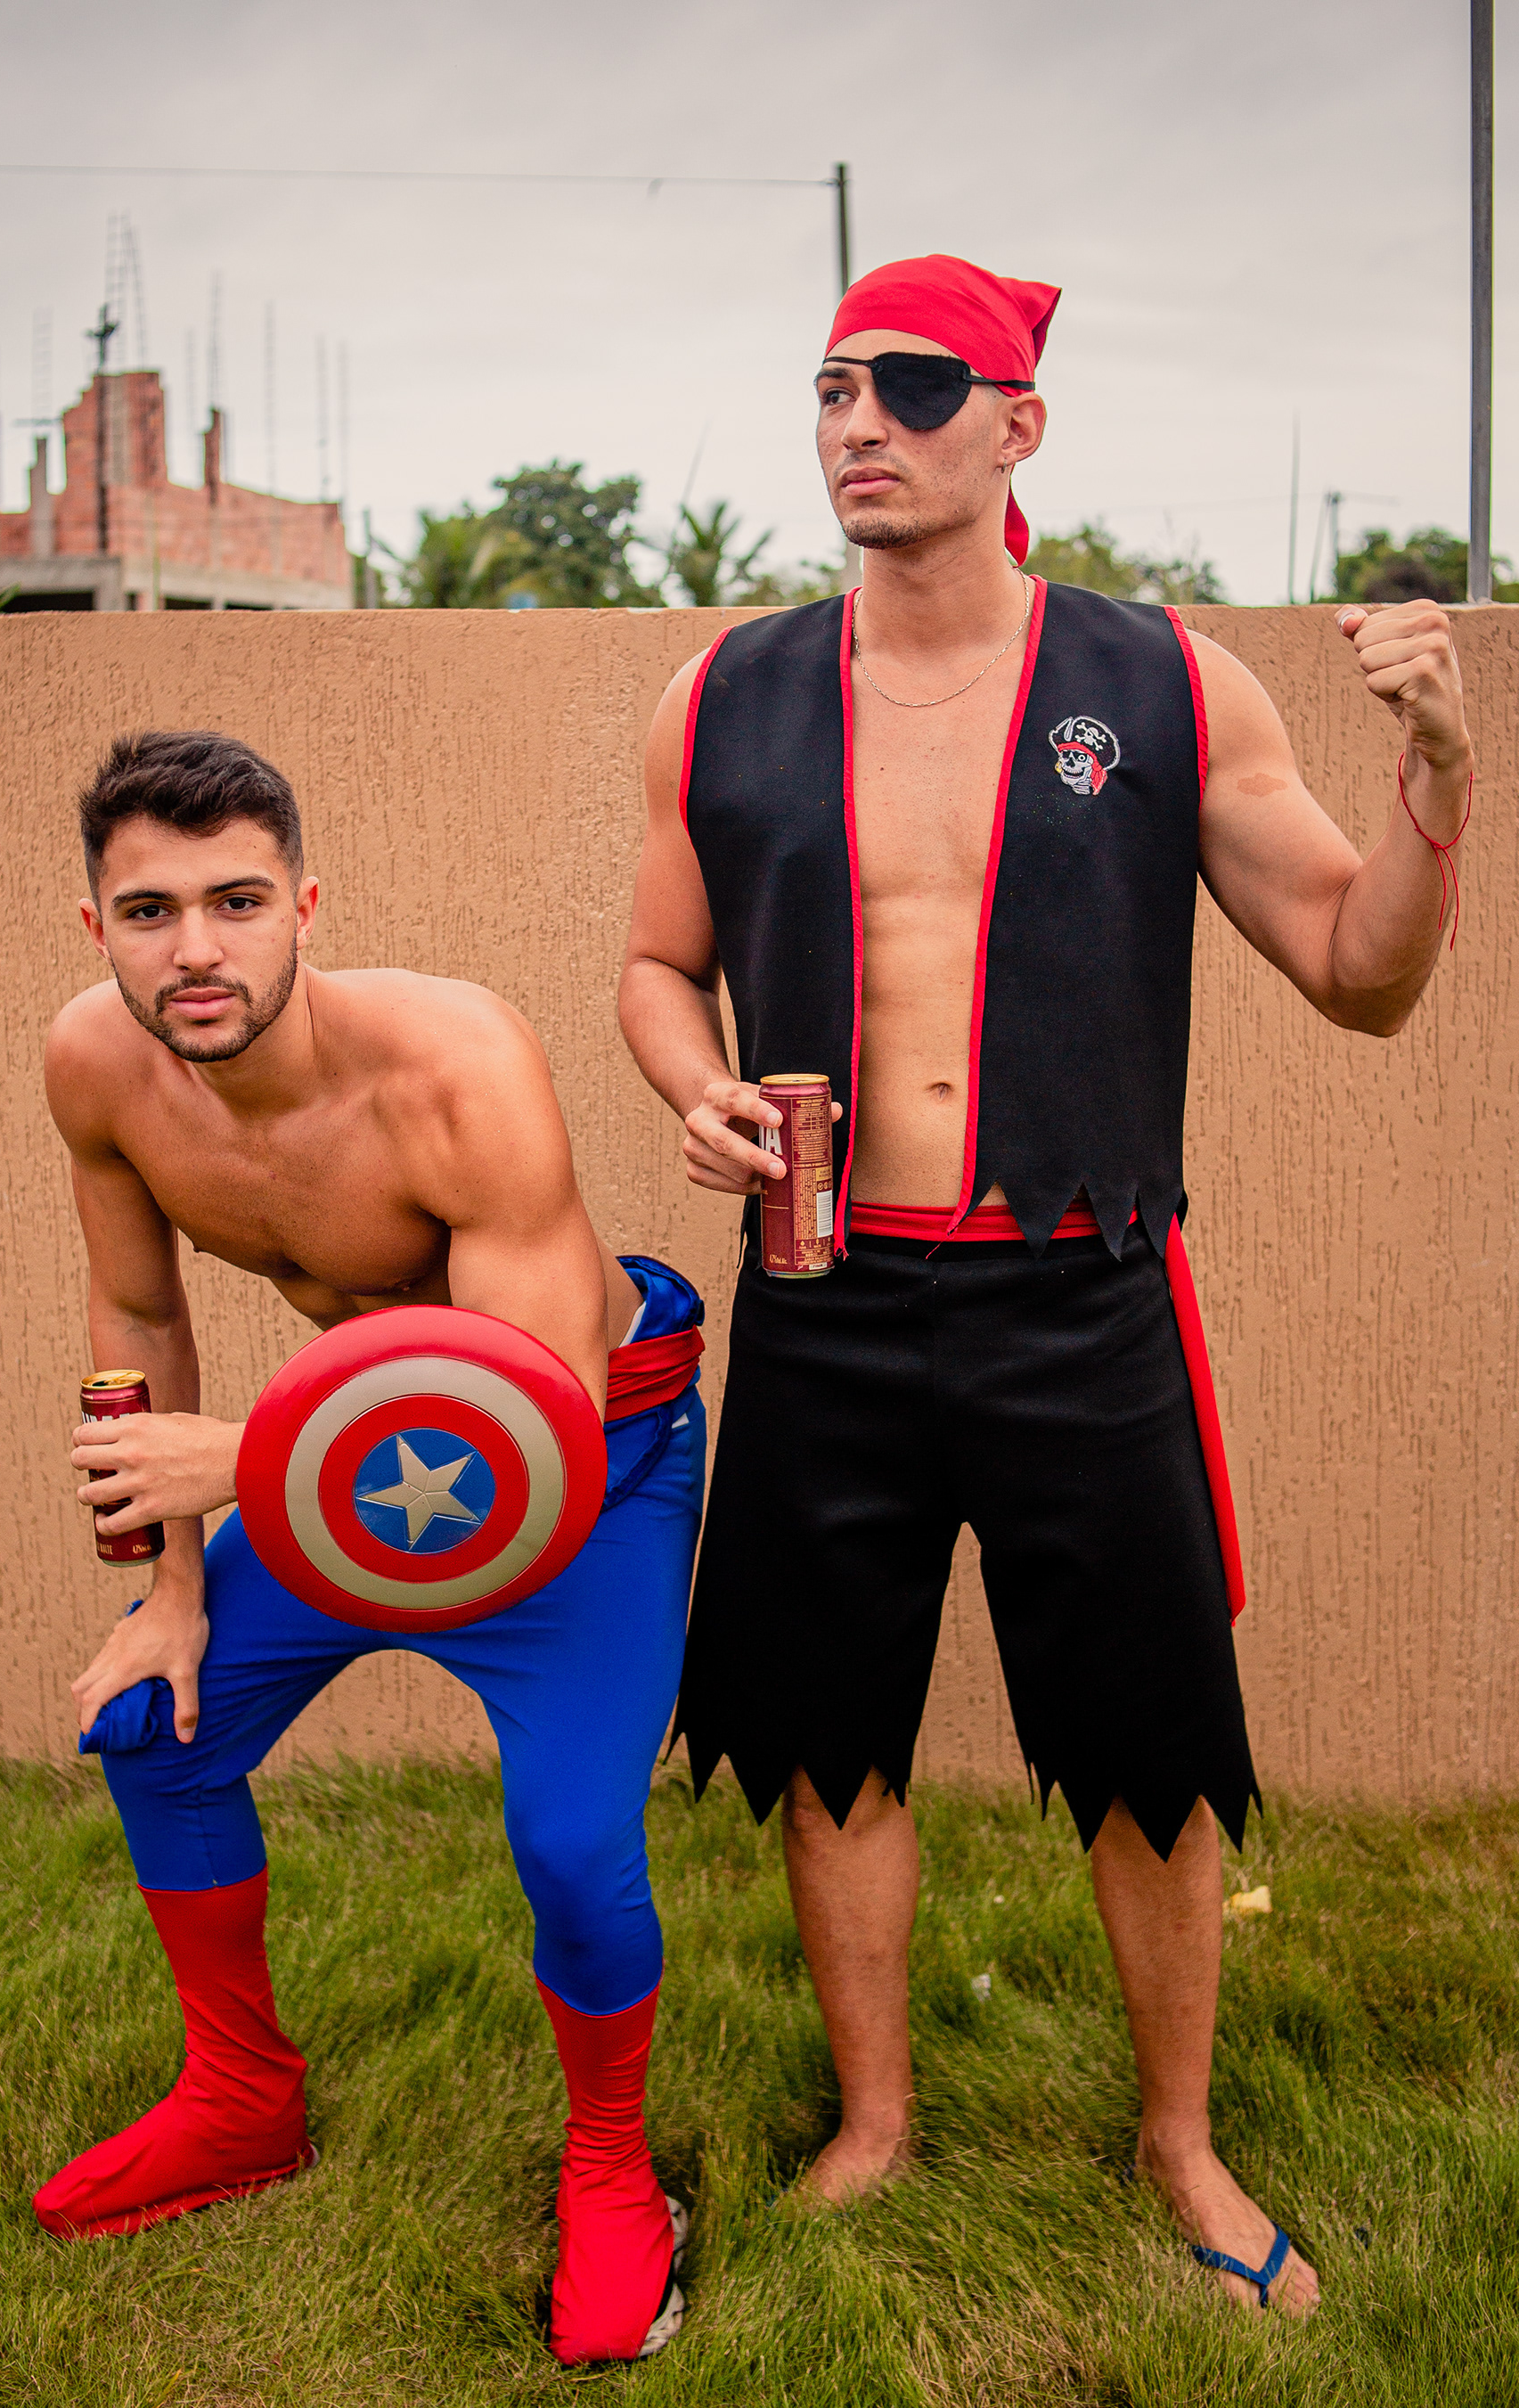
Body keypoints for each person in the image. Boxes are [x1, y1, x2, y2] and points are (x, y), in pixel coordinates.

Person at [618, 251, 1474, 2319]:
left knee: (1152, 1745)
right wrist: (697, 1082)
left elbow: (1360, 972)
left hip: (1080, 1293)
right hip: (826, 1289)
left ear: (1019, 424)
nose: (862, 422)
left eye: (915, 386)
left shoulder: (1164, 681)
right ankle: (875, 2121)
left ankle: (1182, 2143)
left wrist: (1440, 776)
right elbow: (656, 962)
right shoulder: (723, 692)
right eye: (835, 385)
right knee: (828, 1737)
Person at [35, 730, 706, 2367]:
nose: (196, 949)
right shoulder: (97, 1064)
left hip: (584, 1469)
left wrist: (248, 1461)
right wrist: (173, 1588)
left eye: (237, 901)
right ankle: (240, 2097)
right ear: (97, 927)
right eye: (150, 912)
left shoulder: (456, 1063)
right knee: (157, 1722)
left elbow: (534, 1425)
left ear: (306, 905)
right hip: (367, 1470)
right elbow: (137, 1311)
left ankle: (614, 2169)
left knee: (570, 1840)